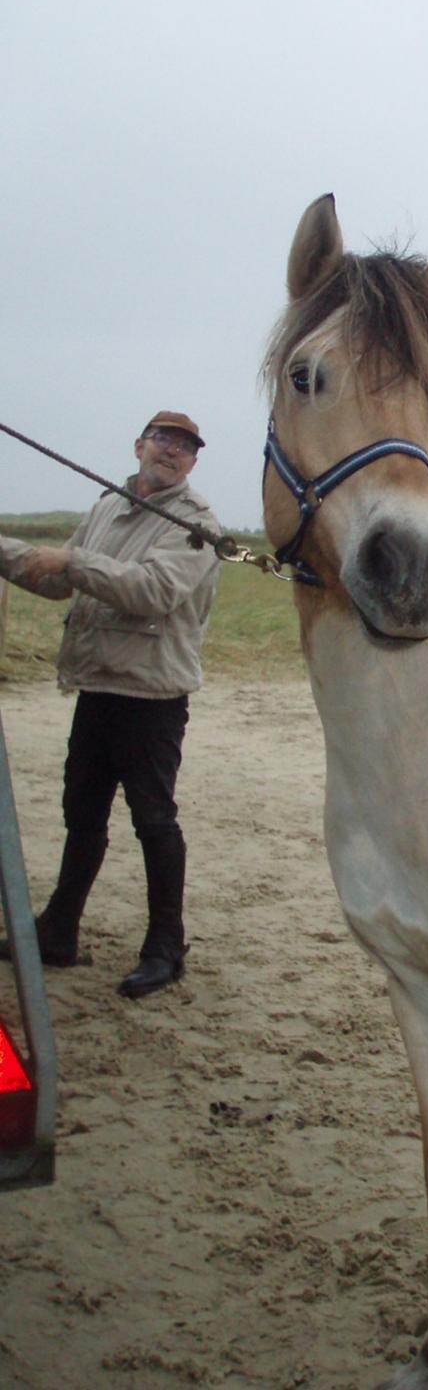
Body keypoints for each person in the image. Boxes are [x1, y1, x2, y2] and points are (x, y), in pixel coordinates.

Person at [0, 412, 220, 998]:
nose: (172, 451)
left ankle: (165, 948)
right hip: (96, 687)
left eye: (185, 446)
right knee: (82, 814)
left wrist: (73, 562)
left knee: (154, 822)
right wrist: (9, 553)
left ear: (194, 462)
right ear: (139, 445)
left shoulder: (193, 524)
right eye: (163, 439)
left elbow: (152, 590)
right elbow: (54, 580)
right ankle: (58, 931)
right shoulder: (107, 508)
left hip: (151, 697)